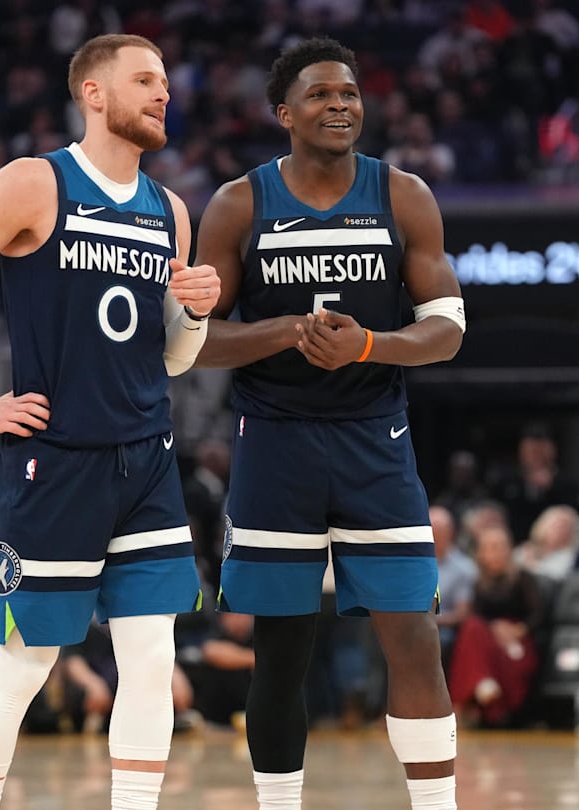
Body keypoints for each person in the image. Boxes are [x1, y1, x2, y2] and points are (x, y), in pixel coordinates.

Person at [0, 34, 221, 810]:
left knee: (150, 658)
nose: (162, 93)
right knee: (25, 662)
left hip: (145, 459)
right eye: (144, 80)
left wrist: (198, 314)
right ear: (94, 93)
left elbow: (172, 359)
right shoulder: (35, 183)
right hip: (54, 462)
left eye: (166, 83)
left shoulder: (171, 211)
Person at [195, 37, 466, 810]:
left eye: (349, 93)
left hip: (374, 441)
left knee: (412, 635)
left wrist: (370, 346)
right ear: (285, 113)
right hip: (274, 442)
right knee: (281, 650)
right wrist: (282, 332)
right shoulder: (238, 204)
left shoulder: (403, 195)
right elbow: (192, 342)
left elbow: (447, 328)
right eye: (320, 94)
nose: (340, 104)